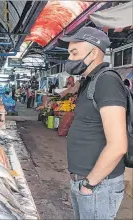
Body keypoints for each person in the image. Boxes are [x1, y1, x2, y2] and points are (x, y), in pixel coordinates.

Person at [59, 27, 127, 219]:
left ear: (94, 52)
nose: (70, 59)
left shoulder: (107, 82)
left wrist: (90, 184)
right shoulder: (91, 81)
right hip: (85, 180)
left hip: (98, 185)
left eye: (74, 53)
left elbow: (118, 146)